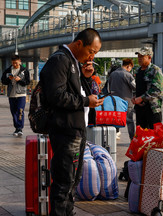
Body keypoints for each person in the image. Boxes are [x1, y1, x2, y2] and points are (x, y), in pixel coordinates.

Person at [39, 28, 104, 216]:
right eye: (91, 51)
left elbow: (76, 93)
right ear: (79, 44)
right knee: (63, 183)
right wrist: (86, 102)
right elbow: (56, 96)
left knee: (72, 182)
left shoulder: (73, 62)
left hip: (76, 129)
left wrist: (85, 78)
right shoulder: (60, 60)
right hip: (65, 131)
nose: (92, 57)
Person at [132, 46, 163, 129]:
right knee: (141, 136)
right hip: (140, 110)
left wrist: (141, 98)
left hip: (152, 110)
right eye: (138, 56)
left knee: (153, 138)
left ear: (149, 57)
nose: (139, 59)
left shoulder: (155, 70)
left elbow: (157, 90)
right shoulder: (138, 70)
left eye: (142, 57)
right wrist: (135, 96)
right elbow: (137, 87)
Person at [105, 58, 136, 140]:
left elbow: (108, 88)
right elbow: (135, 87)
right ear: (128, 66)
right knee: (129, 121)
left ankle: (113, 138)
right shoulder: (128, 75)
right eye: (130, 68)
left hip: (114, 102)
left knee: (114, 120)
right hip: (126, 102)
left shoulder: (113, 74)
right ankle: (132, 139)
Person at [1, 55, 31, 137]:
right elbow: (3, 81)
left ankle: (20, 128)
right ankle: (17, 127)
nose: (15, 65)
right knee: (13, 112)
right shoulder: (8, 70)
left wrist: (20, 80)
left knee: (20, 110)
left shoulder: (24, 71)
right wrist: (9, 79)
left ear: (20, 61)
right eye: (13, 63)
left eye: (16, 63)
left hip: (21, 94)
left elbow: (28, 82)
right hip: (11, 94)